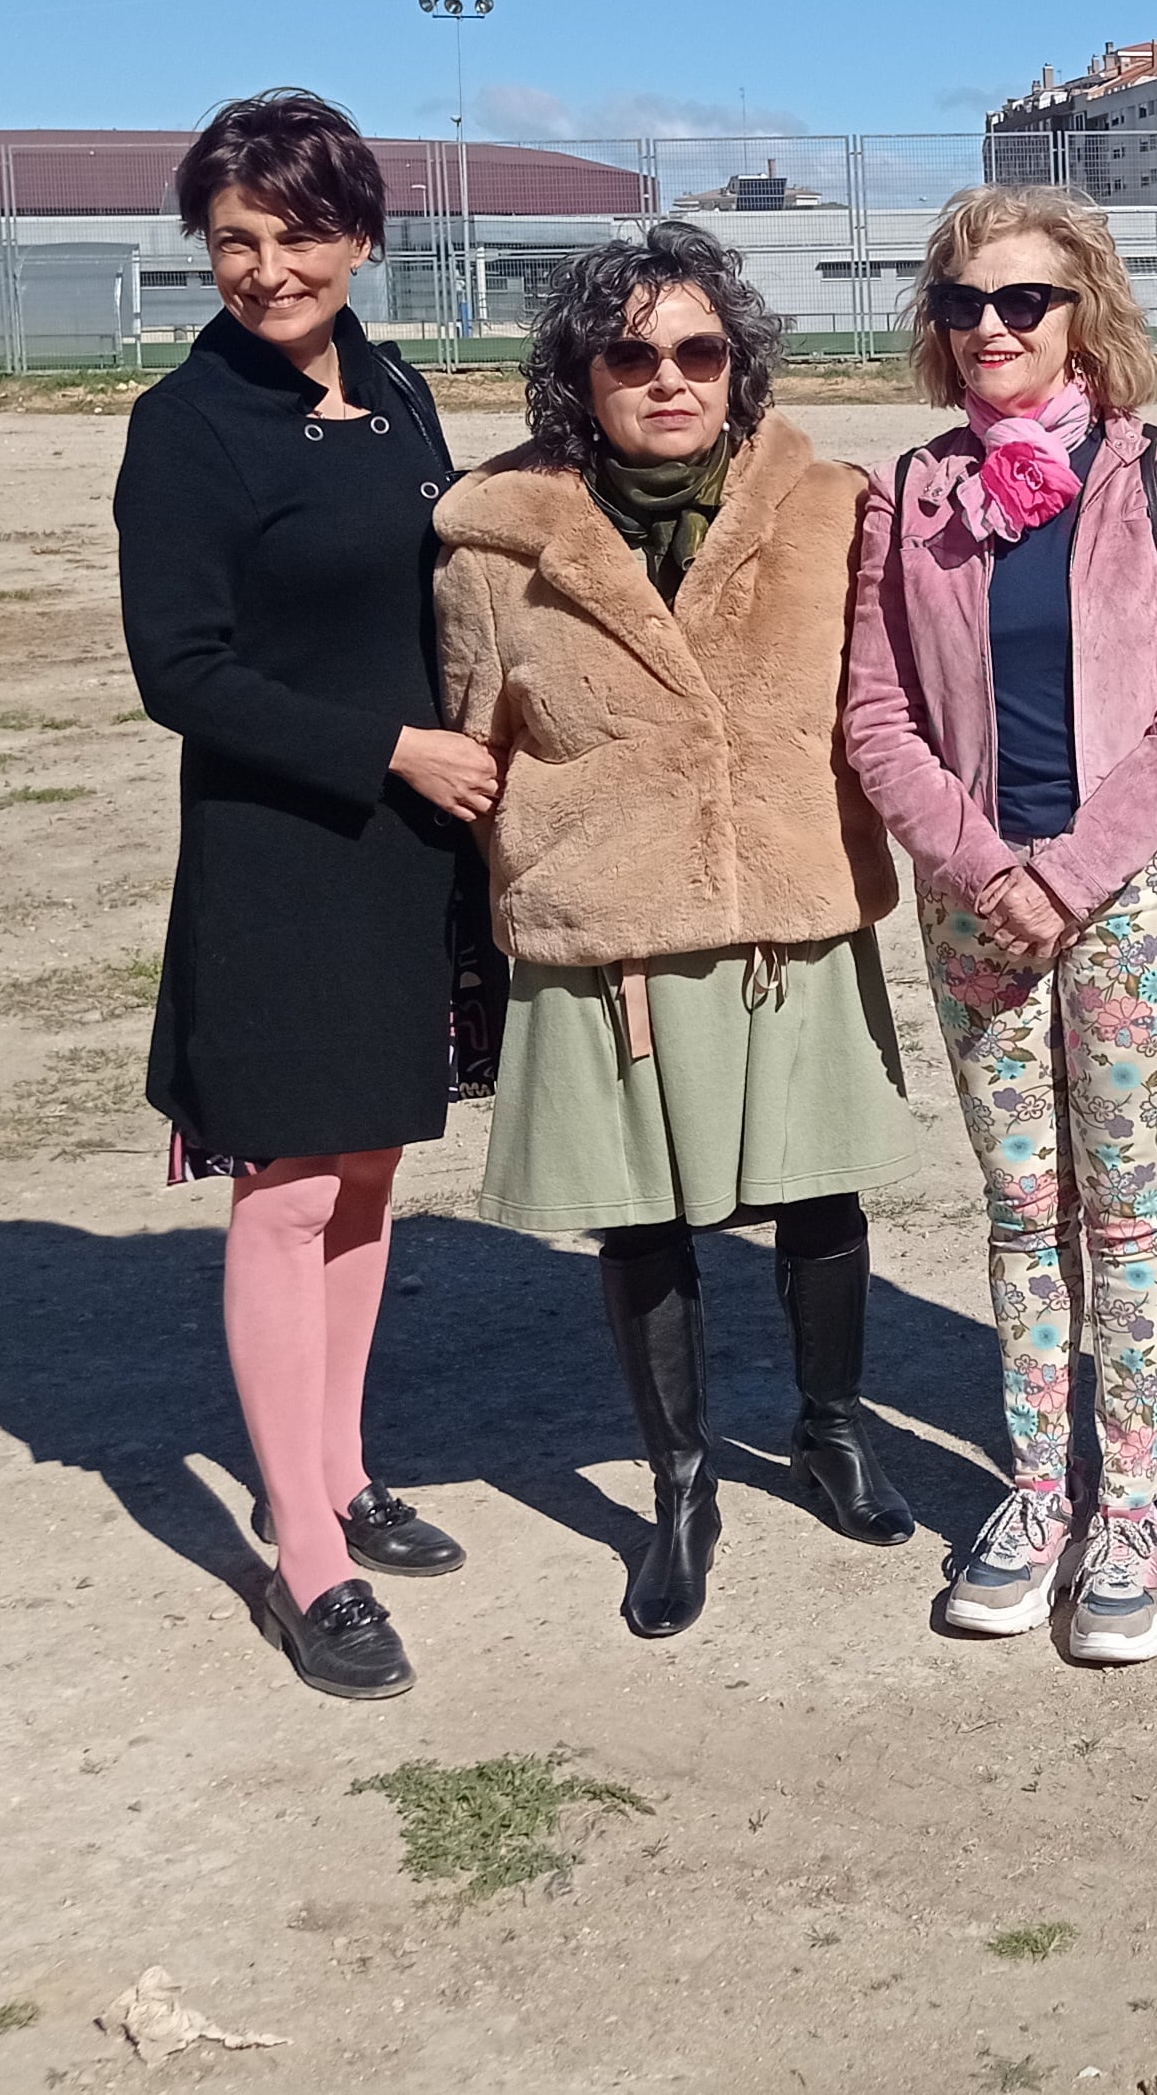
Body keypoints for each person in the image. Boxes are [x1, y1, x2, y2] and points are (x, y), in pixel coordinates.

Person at [433, 221, 919, 1640]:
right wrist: (562, 871)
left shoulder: (833, 509)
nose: (667, 378)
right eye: (629, 353)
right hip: (613, 935)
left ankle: (832, 1430)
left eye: (698, 351)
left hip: (789, 905)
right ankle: (682, 1481)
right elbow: (475, 748)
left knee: (821, 1195)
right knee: (639, 1218)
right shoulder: (490, 545)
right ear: (580, 374)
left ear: (737, 366)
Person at [115, 88, 498, 1702]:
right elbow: (179, 669)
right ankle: (304, 1553)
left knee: (362, 1174)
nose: (266, 270)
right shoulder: (187, 427)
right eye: (234, 242)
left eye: (297, 235)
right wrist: (394, 747)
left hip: (407, 857)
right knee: (280, 1188)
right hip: (284, 856)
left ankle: (340, 1467)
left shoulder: (399, 390)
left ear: (359, 233)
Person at [842, 185, 1157, 1667]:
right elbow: (877, 716)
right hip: (975, 910)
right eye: (964, 302)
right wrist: (974, 863)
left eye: (1024, 301)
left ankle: (1128, 1508)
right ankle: (1035, 1491)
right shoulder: (911, 494)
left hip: (1128, 898)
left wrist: (1071, 871)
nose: (993, 327)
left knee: (1123, 1201)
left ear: (1086, 316)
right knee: (1022, 1212)